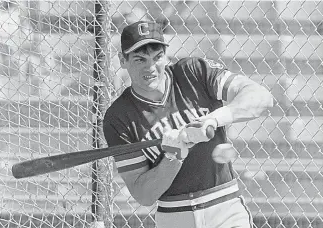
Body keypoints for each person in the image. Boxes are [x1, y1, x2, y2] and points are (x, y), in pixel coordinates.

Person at [103, 20, 273, 228]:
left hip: (225, 207)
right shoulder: (119, 117)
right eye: (140, 59)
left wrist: (212, 119)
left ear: (166, 55)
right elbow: (143, 194)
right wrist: (173, 156)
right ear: (122, 60)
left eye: (157, 57)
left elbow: (261, 97)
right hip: (174, 215)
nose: (151, 67)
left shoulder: (194, 72)